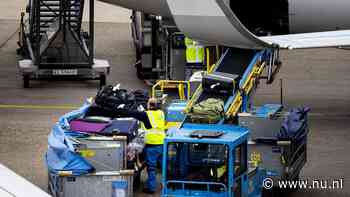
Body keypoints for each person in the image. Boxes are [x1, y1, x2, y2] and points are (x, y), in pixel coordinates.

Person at [118, 98, 166, 194]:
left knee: (151, 168)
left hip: (152, 145)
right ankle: (167, 184)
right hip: (162, 143)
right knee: (163, 166)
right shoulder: (161, 113)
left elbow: (132, 114)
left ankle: (151, 188)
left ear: (149, 105)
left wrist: (120, 110)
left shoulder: (145, 114)